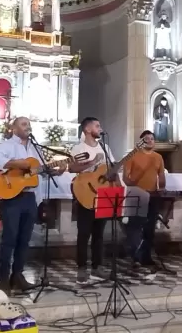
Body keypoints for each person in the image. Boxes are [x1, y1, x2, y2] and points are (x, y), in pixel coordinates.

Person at [0, 117, 64, 293]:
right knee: (9, 239)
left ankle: (18, 276)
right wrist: (19, 163)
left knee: (25, 240)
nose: (27, 127)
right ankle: (4, 279)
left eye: (29, 124)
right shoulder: (6, 145)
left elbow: (39, 172)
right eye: (23, 124)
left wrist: (55, 170)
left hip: (30, 198)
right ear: (14, 128)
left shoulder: (35, 148)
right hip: (12, 197)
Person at [68, 117, 112, 284]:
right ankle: (81, 268)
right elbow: (72, 168)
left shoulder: (105, 147)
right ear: (87, 129)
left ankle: (97, 267)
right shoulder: (79, 148)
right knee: (84, 233)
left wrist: (114, 170)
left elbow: (110, 168)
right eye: (97, 125)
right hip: (85, 194)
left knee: (99, 235)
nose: (100, 128)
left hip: (102, 194)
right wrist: (92, 162)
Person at [123, 130, 166, 270]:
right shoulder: (133, 156)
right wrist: (134, 185)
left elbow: (161, 175)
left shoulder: (158, 157)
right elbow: (125, 178)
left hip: (153, 196)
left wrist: (162, 187)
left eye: (152, 138)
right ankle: (135, 258)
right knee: (135, 228)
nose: (150, 141)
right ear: (141, 142)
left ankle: (146, 257)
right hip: (137, 196)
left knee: (149, 228)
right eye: (146, 139)